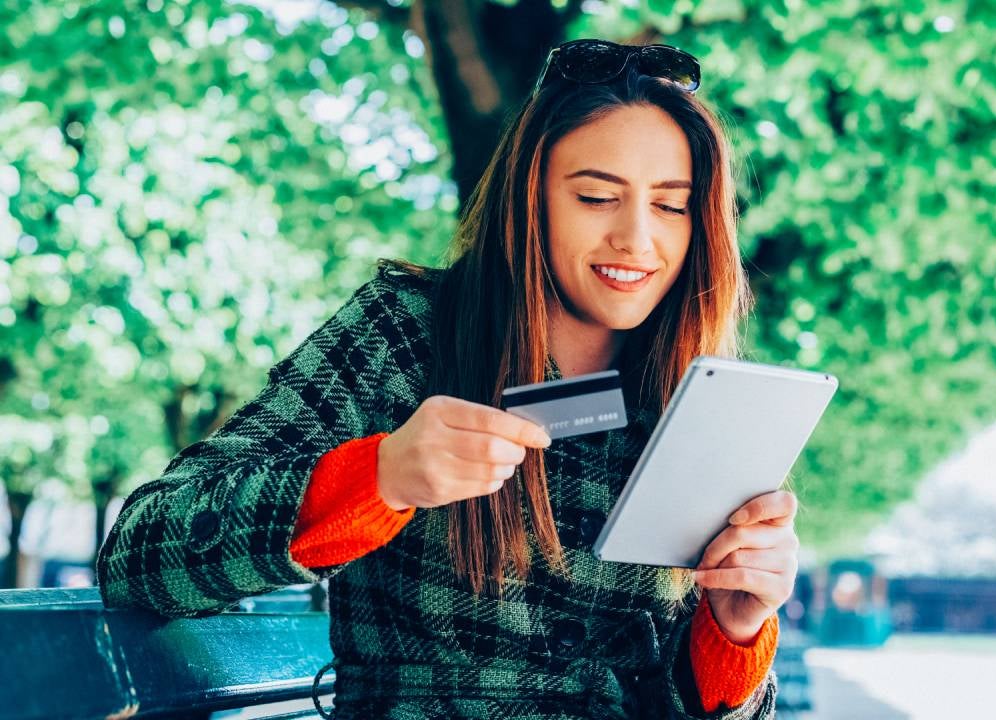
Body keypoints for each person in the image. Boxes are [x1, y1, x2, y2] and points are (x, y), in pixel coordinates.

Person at [97, 39, 796, 719]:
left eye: (672, 205)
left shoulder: (696, 398)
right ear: (532, 197)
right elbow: (140, 552)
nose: (638, 240)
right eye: (595, 197)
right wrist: (381, 476)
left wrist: (734, 629)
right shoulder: (408, 330)